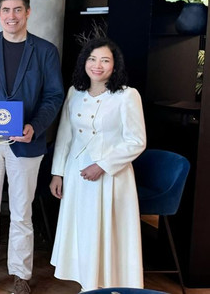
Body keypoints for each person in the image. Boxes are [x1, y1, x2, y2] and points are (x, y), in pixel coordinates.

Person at [0, 0, 64, 294]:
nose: (12, 16)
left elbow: (54, 95)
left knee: (22, 212)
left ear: (28, 12)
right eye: (6, 10)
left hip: (26, 142)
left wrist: (36, 125)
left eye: (18, 10)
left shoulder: (45, 50)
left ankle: (21, 275)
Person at [49, 37, 146, 290]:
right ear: (84, 62)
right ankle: (86, 284)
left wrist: (102, 165)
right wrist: (58, 173)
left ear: (115, 65)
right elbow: (64, 135)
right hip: (76, 173)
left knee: (107, 231)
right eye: (92, 59)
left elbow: (136, 141)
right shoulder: (75, 92)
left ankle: (107, 286)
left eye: (105, 60)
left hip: (111, 177)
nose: (97, 65)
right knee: (81, 230)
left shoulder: (126, 96)